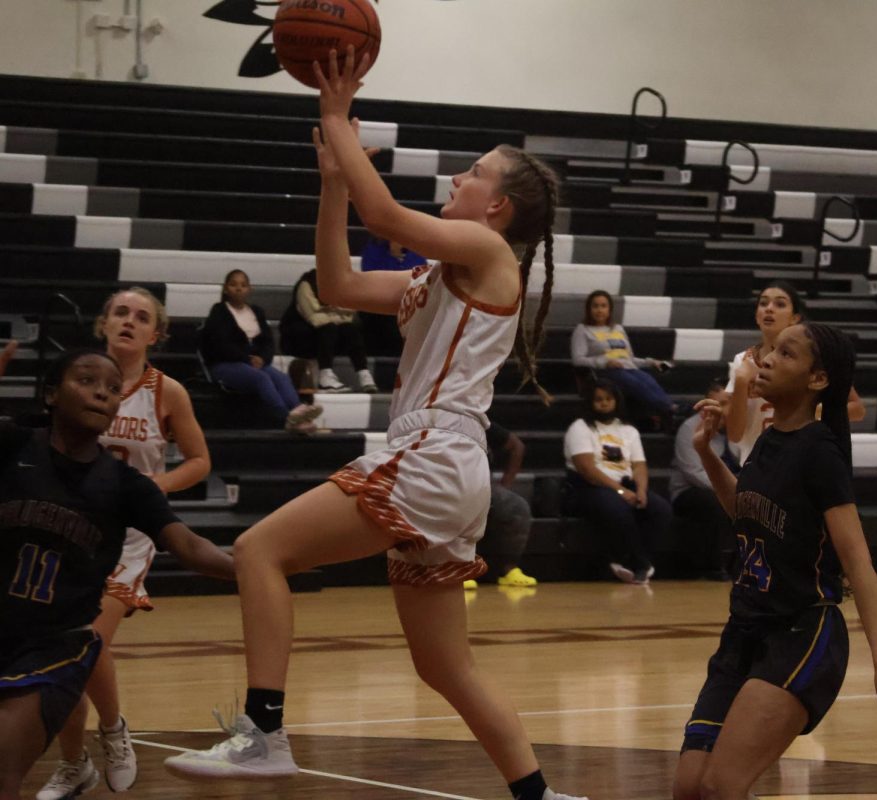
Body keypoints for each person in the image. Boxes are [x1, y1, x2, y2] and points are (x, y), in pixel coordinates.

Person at [163, 48, 585, 800]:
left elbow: (386, 215)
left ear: (497, 207)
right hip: (446, 465)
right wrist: (333, 184)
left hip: (435, 453)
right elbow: (339, 284)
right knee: (444, 665)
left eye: (473, 173)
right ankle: (538, 795)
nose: (459, 178)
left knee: (259, 550)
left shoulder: (490, 251)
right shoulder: (434, 276)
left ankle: (262, 734)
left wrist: (335, 118)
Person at [672, 323, 877, 800]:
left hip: (801, 633)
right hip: (744, 632)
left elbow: (858, 561)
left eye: (785, 354)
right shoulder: (768, 440)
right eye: (770, 350)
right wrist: (705, 450)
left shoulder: (819, 452)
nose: (766, 359)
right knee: (689, 788)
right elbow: (744, 510)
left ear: (817, 380)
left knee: (722, 787)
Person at [0, 349, 235, 800]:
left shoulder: (127, 485)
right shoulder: (13, 446)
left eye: (111, 389)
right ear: (51, 394)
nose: (101, 393)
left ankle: (100, 740)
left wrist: (258, 567)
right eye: (87, 381)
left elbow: (189, 546)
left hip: (51, 648)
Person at [37, 289, 212, 799]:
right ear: (103, 324)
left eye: (142, 317)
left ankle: (111, 733)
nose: (129, 322)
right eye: (120, 313)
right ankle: (74, 762)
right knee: (70, 645)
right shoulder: (76, 379)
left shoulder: (167, 392)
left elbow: (200, 461)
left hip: (128, 536)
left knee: (85, 641)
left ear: (155, 334)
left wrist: (155, 486)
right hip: (69, 527)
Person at [725, 281, 865, 466]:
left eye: (780, 304)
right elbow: (734, 435)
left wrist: (807, 411)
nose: (769, 309)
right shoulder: (741, 362)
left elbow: (857, 409)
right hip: (756, 465)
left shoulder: (810, 360)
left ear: (795, 318)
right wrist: (742, 382)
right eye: (763, 303)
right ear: (757, 316)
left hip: (800, 461)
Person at [564, 379, 671, 584]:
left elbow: (639, 465)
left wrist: (640, 490)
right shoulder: (580, 428)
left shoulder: (628, 430)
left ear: (616, 401)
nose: (604, 403)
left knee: (661, 510)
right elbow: (586, 469)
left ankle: (627, 559)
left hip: (625, 484)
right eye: (598, 399)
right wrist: (620, 491)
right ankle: (640, 564)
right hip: (588, 487)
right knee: (617, 508)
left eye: (608, 399)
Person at [200, 269, 324, 433]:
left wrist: (262, 359)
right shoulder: (219, 312)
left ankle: (299, 411)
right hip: (226, 364)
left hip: (254, 363)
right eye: (233, 284)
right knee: (261, 378)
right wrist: (246, 358)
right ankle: (286, 418)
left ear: (249, 289)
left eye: (243, 285)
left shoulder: (257, 312)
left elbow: (267, 342)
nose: (238, 288)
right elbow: (220, 344)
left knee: (281, 378)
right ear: (225, 289)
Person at [571, 289, 676, 429]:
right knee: (633, 381)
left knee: (647, 379)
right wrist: (604, 362)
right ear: (589, 309)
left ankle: (668, 408)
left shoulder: (618, 329)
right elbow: (578, 359)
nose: (599, 310)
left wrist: (651, 362)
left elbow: (629, 358)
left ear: (609, 309)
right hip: (605, 371)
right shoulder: (582, 329)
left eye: (603, 306)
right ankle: (671, 408)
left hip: (627, 368)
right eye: (595, 306)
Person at [670, 380, 738, 580]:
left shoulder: (738, 427)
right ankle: (711, 568)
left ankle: (742, 564)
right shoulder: (690, 428)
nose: (720, 409)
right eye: (715, 403)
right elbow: (693, 473)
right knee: (713, 503)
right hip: (689, 490)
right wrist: (731, 489)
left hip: (730, 486)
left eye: (726, 403)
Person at [469, 421, 538, 590]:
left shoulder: (478, 421)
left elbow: (517, 446)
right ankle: (458, 568)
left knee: (516, 506)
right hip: (443, 487)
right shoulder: (434, 421)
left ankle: (509, 570)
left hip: (481, 487)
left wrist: (505, 485)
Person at [284, 268, 378, 392]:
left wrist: (331, 311)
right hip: (302, 336)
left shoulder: (343, 284)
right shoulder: (307, 285)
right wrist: (336, 312)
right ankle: (325, 375)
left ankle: (363, 373)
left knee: (350, 329)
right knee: (329, 328)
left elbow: (350, 311)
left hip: (333, 335)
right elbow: (313, 317)